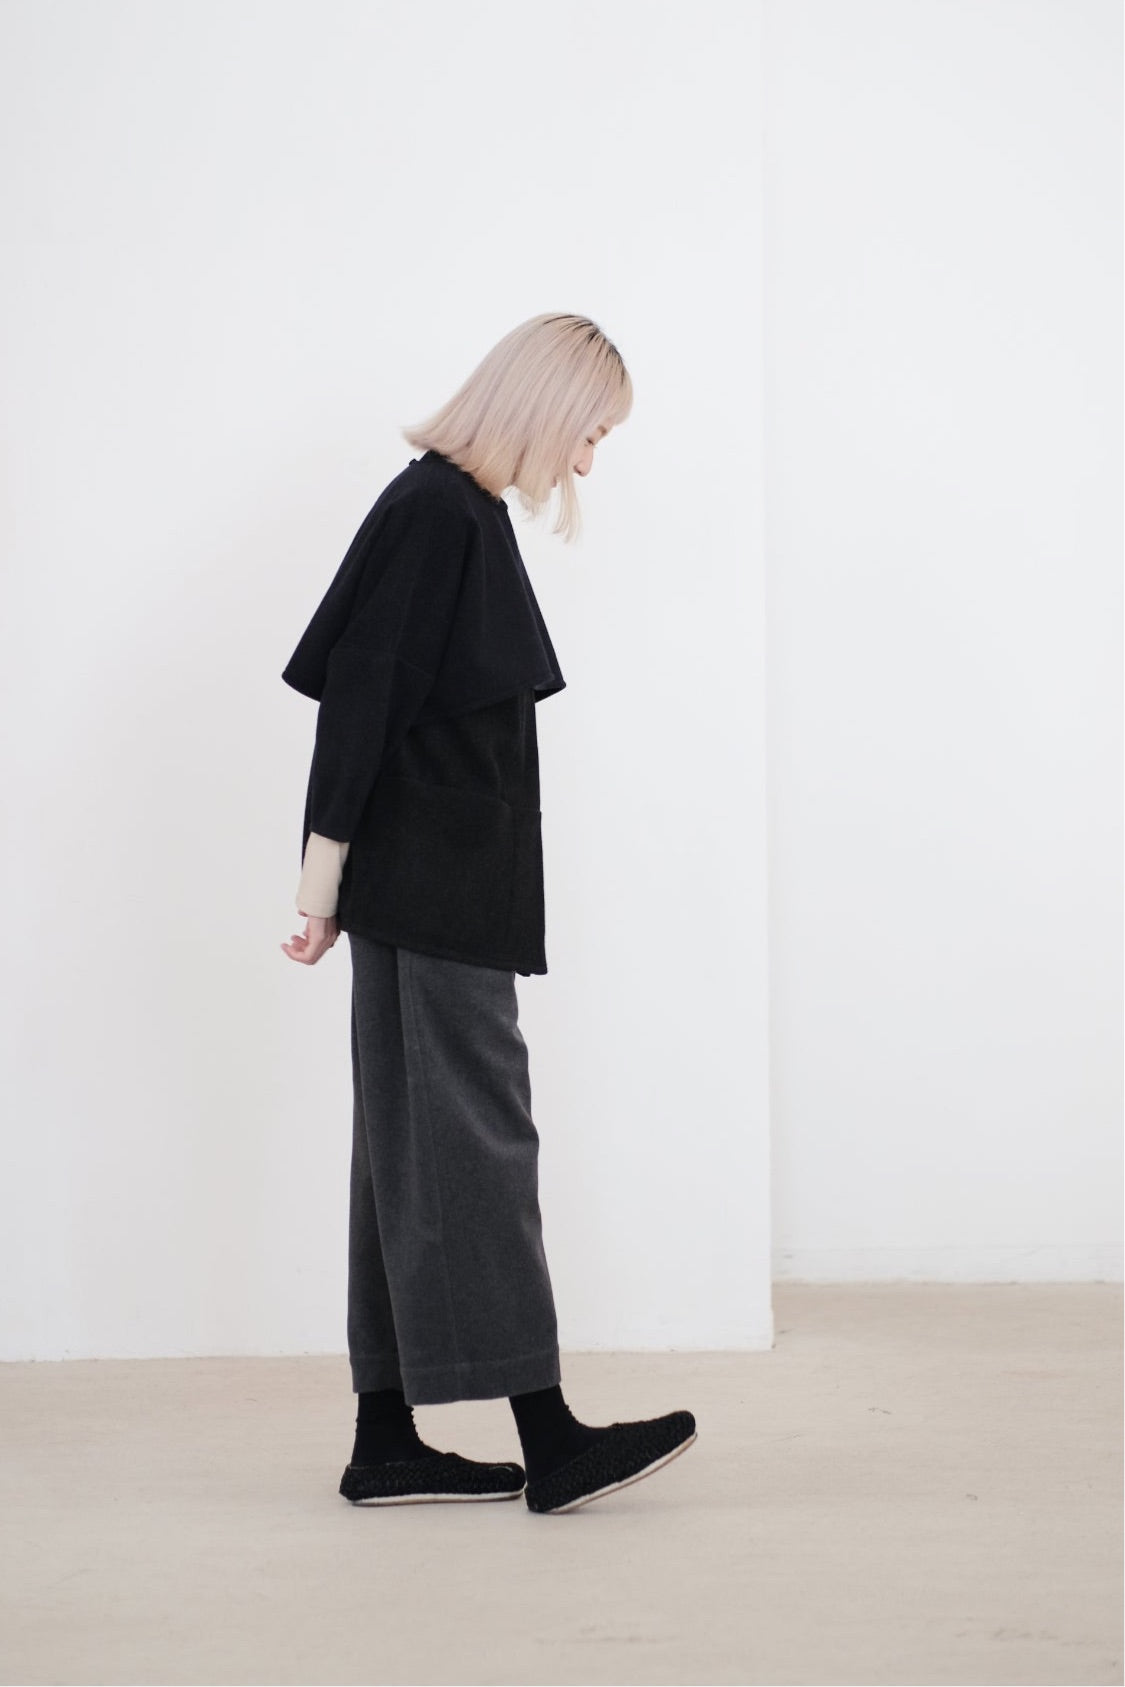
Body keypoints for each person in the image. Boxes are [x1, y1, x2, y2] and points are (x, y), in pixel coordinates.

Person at [279, 313, 696, 1515]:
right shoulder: (436, 515)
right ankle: (549, 1435)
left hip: (432, 884)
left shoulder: (456, 513)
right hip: (435, 889)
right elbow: (359, 703)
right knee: (479, 1142)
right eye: (589, 432)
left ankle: (385, 1435)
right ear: (543, 406)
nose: (587, 462)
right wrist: (317, 886)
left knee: (402, 1151)